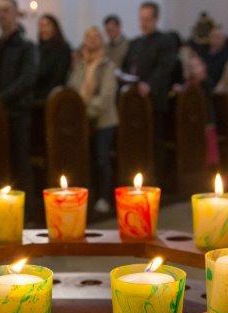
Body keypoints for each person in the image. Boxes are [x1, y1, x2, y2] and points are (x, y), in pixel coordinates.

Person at [0, 0, 38, 215]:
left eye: (6, 11)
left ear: (17, 14)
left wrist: (0, 99)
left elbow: (27, 79)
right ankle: (4, 209)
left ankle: (28, 212)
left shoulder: (26, 46)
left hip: (18, 112)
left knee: (20, 161)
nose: (2, 15)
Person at [122, 2, 177, 182]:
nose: (143, 23)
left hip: (155, 101)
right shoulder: (135, 43)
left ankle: (157, 180)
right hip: (134, 103)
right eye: (141, 19)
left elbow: (165, 68)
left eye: (147, 19)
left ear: (155, 19)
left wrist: (150, 85)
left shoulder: (165, 41)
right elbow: (127, 67)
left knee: (155, 142)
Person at [68, 26, 118, 214]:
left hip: (103, 120)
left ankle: (104, 197)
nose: (92, 39)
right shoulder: (80, 65)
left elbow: (106, 95)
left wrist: (86, 112)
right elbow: (72, 88)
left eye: (96, 36)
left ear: (101, 40)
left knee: (102, 159)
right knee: (83, 159)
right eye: (88, 36)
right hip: (82, 121)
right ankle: (86, 196)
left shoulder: (107, 65)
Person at [35, 14, 72, 100]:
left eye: (47, 25)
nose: (43, 29)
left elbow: (59, 77)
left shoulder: (63, 48)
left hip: (53, 96)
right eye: (41, 26)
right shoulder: (37, 49)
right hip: (36, 94)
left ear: (54, 28)